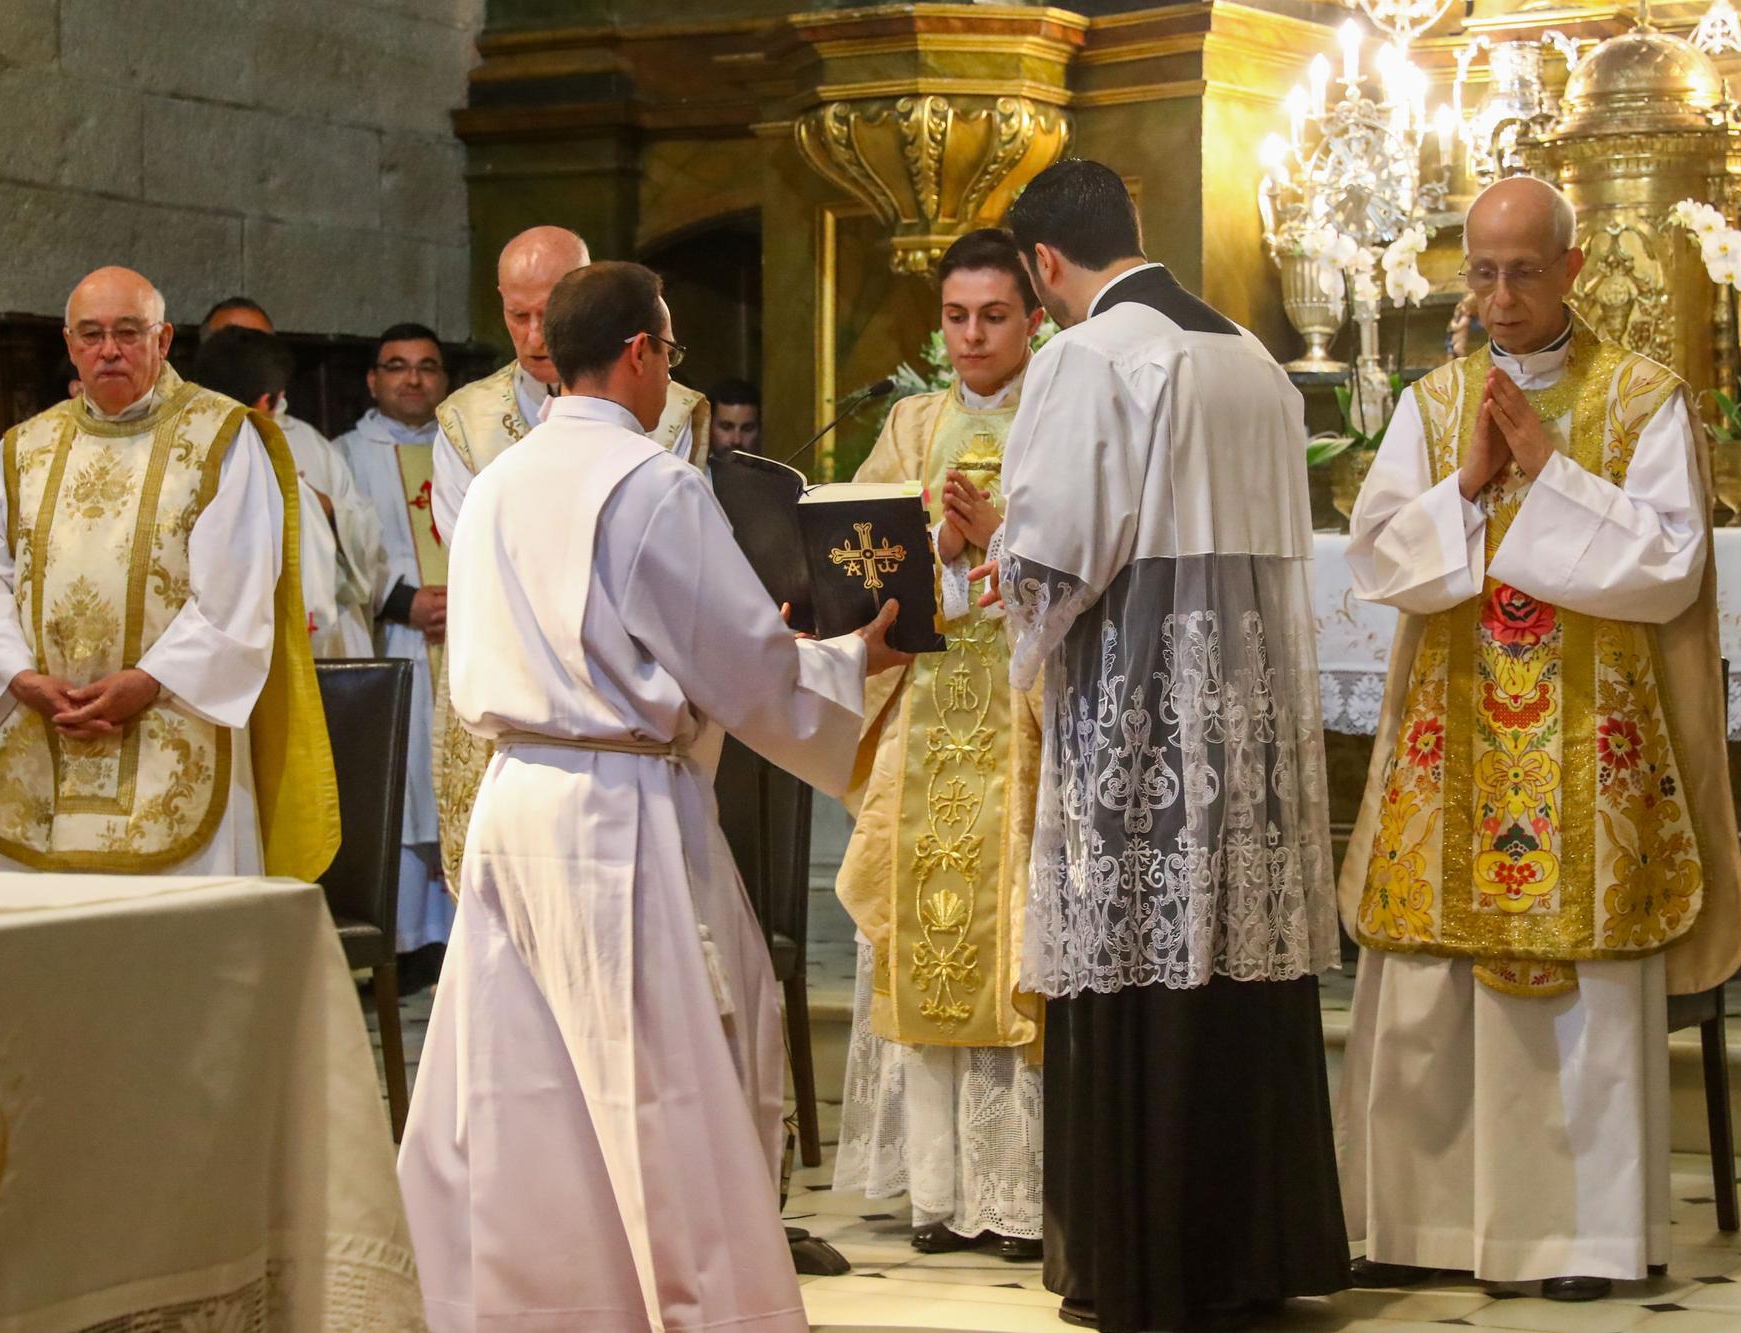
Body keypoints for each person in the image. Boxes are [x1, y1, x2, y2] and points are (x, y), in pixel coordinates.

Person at [397, 259, 908, 1333]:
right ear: (638, 352)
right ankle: (694, 1308)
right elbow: (746, 666)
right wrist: (851, 658)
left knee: (520, 1078)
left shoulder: (495, 481)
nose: (667, 370)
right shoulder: (649, 482)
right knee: (659, 1081)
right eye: (668, 351)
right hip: (611, 808)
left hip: (512, 799)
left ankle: (536, 1303)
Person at [1338, 175, 1741, 1302]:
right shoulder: (1429, 405)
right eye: (1480, 272)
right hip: (1449, 730)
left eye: (1523, 271)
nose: (1501, 296)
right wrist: (1468, 482)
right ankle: (1415, 1221)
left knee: (1582, 984)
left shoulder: (1639, 398)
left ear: (1569, 268)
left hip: (1588, 742)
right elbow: (1376, 560)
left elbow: (1667, 569)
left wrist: (1550, 474)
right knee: (1426, 978)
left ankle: (1577, 1237)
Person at [979, 160, 1349, 1331]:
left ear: (1042, 267)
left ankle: (1144, 1260)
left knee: (1141, 959)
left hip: (1138, 725)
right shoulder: (1249, 356)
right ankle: (1250, 1248)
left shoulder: (1088, 355)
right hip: (1244, 733)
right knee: (1237, 966)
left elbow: (1050, 566)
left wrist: (988, 555)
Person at [0, 267, 336, 879]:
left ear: (164, 339)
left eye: (128, 331)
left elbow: (239, 592)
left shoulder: (221, 437)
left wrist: (149, 681)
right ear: (69, 344)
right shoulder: (25, 447)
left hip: (173, 723)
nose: (109, 349)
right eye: (91, 334)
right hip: (46, 728)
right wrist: (18, 675)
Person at [834, 228, 1047, 1260]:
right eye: (955, 317)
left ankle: (1011, 1195)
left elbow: (1091, 547)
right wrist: (937, 547)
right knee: (923, 925)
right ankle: (934, 1186)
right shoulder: (913, 424)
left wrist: (1004, 536)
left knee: (1011, 935)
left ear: (1032, 315)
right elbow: (856, 563)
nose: (970, 335)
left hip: (1020, 715)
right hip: (923, 711)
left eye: (992, 315)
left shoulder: (1060, 410)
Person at [426, 225, 710, 893]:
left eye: (548, 310)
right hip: (507, 707)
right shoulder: (465, 421)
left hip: (621, 709)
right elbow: (475, 559)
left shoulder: (668, 409)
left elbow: (668, 564)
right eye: (515, 314)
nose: (533, 336)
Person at [333, 322, 456, 982]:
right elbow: (333, 549)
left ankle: (456, 935)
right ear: (373, 380)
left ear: (444, 379)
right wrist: (401, 598)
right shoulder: (344, 454)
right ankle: (406, 937)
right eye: (398, 366)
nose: (413, 379)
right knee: (403, 783)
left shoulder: (470, 448)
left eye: (428, 367)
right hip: (393, 640)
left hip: (467, 639)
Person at [202, 297, 384, 659]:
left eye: (257, 341)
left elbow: (366, 541)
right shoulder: (189, 441)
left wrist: (326, 508)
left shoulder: (311, 445)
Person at [186, 326, 342, 655]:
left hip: (188, 662)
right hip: (268, 661)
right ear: (269, 401)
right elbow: (315, 606)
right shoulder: (283, 485)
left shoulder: (171, 466)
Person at [707, 377, 762, 455]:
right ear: (708, 428)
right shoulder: (686, 466)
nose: (737, 441)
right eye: (726, 427)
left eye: (747, 429)